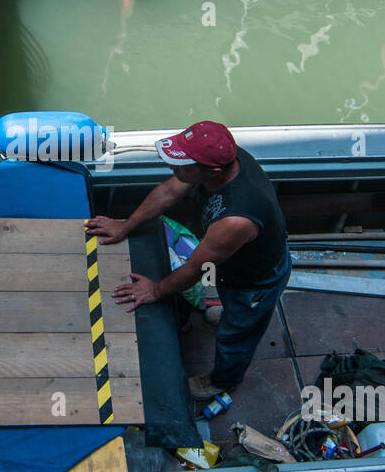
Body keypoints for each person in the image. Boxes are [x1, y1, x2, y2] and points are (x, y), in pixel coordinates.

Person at [86, 121, 291, 401]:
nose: (173, 169)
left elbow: (196, 267)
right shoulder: (225, 157)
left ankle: (223, 381)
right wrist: (125, 225)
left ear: (213, 171)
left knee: (236, 335)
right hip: (229, 265)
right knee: (227, 306)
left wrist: (155, 291)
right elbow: (169, 191)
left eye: (182, 165)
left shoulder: (235, 219)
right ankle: (227, 311)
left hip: (255, 282)